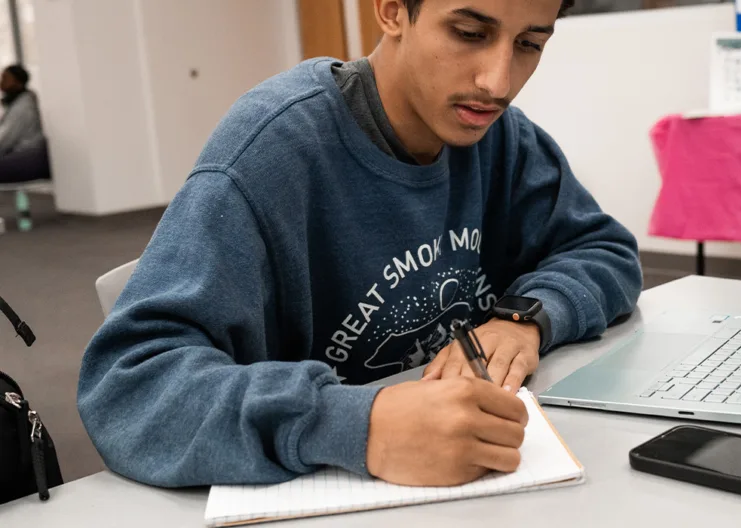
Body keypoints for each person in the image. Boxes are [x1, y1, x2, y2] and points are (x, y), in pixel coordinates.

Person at [78, 0, 642, 489]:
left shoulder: (503, 137)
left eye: (528, 43)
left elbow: (605, 249)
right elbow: (128, 389)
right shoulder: (272, 150)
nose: (498, 81)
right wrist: (356, 424)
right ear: (392, 10)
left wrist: (522, 318)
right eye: (469, 34)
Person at [0, 64, 50, 184]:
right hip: (26, 155)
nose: (1, 83)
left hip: (29, 157)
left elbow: (5, 140)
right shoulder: (20, 103)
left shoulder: (23, 107)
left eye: (6, 79)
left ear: (18, 82)